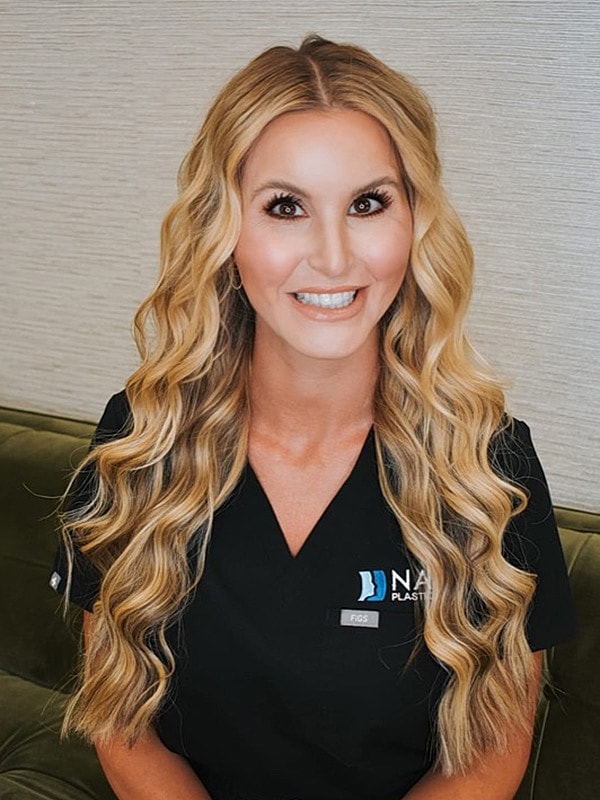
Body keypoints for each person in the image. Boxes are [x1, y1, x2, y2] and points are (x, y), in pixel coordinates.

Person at [51, 34, 576, 800]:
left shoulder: (489, 464)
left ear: (414, 221)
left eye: (368, 203)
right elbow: (119, 722)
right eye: (286, 207)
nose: (332, 257)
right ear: (224, 229)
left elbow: (493, 751)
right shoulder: (142, 436)